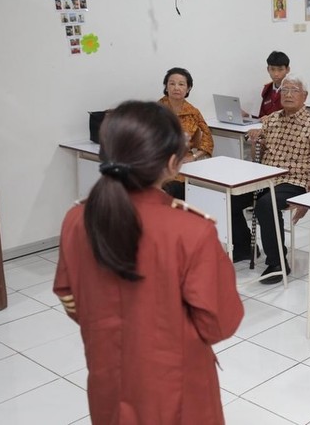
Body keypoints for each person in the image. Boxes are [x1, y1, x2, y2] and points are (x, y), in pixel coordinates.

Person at [53, 101, 243, 424]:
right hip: (177, 388)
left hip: (108, 376)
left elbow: (69, 296)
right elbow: (220, 321)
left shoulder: (76, 218)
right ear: (173, 163)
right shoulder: (191, 231)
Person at [233, 75, 310, 282]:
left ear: (304, 96)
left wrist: (308, 201)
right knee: (231, 198)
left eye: (294, 90)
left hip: (295, 181)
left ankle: (277, 262)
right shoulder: (272, 119)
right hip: (266, 178)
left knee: (265, 205)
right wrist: (254, 142)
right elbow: (257, 156)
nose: (288, 94)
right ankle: (242, 247)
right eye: (284, 90)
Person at [157, 67, 213, 200]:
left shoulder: (193, 112)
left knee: (179, 187)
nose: (176, 87)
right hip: (159, 162)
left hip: (183, 165)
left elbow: (208, 139)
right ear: (166, 87)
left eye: (181, 84)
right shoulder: (155, 109)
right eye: (172, 83)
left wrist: (193, 157)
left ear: (188, 89)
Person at [256, 51, 291, 119]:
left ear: (287, 70)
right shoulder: (266, 89)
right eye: (272, 69)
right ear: (268, 69)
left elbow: (293, 115)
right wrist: (248, 115)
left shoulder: (292, 90)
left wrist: (271, 119)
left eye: (280, 69)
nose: (276, 74)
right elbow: (261, 114)